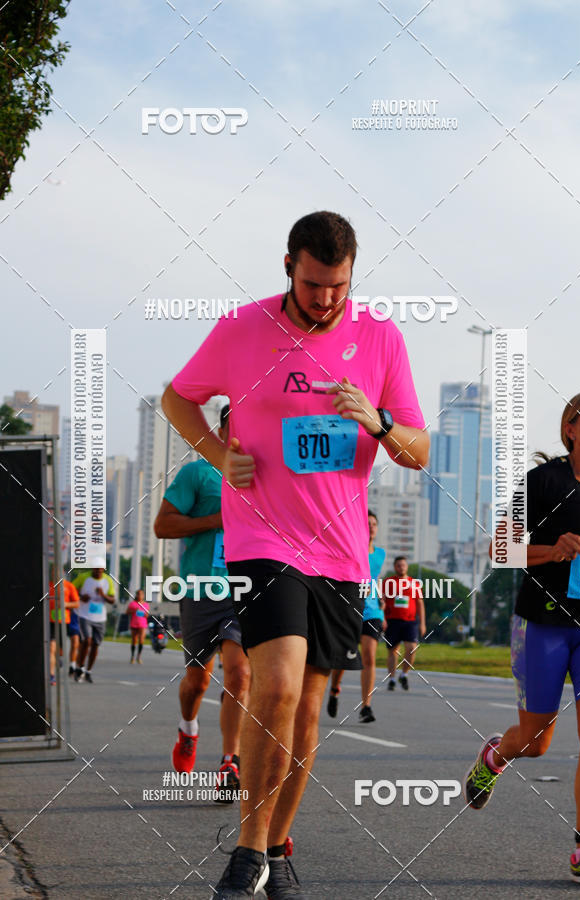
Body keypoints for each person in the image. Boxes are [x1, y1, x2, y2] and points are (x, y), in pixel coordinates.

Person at [161, 211, 428, 898]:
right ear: (289, 267)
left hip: (341, 552)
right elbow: (178, 398)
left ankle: (278, 846)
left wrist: (380, 420)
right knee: (273, 686)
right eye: (314, 286)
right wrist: (222, 457)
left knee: (308, 714)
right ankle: (247, 850)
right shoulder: (241, 329)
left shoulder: (380, 338)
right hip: (265, 539)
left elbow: (418, 451)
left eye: (338, 287)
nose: (326, 301)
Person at [463, 390, 580, 888]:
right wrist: (552, 550)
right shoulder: (543, 482)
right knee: (537, 742)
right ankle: (496, 755)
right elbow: (502, 546)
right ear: (571, 428)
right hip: (542, 622)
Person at [154, 404, 250, 802]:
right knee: (197, 682)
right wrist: (217, 520)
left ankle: (231, 760)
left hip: (245, 589)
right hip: (200, 589)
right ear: (223, 426)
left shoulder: (266, 474)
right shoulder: (198, 472)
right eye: (237, 419)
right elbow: (163, 526)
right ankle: (188, 729)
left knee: (240, 675)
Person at [326, 510, 386, 723]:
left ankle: (366, 706)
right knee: (345, 657)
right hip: (350, 607)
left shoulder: (381, 554)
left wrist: (383, 607)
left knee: (369, 657)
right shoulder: (351, 548)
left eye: (374, 523)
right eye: (367, 523)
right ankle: (334, 689)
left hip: (372, 610)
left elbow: (374, 580)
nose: (371, 526)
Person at [382, 556, 425, 691]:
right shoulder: (388, 582)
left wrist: (422, 623)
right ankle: (392, 679)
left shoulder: (414, 584)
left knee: (411, 647)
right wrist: (381, 618)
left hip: (410, 621)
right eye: (399, 565)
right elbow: (382, 601)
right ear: (395, 567)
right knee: (393, 652)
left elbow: (420, 603)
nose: (401, 567)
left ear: (407, 567)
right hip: (392, 621)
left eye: (404, 565)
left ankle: (404, 674)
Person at [72, 562, 116, 683]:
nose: (98, 572)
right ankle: (80, 667)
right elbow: (71, 590)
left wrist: (103, 595)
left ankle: (88, 671)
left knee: (96, 644)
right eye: (96, 569)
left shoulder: (108, 580)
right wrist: (81, 596)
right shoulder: (83, 577)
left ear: (103, 569)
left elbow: (112, 600)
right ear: (92, 568)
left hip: (100, 617)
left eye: (100, 570)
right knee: (87, 640)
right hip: (84, 615)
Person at [49, 574, 79, 686]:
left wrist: (65, 604)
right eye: (53, 571)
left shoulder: (69, 586)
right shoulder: (48, 586)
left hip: (63, 622)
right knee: (51, 648)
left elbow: (77, 603)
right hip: (50, 621)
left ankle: (58, 659)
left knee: (59, 651)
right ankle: (52, 676)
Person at [127, 588, 149, 664]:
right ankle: (132, 656)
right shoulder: (132, 604)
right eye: (138, 594)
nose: (140, 595)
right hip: (134, 624)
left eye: (141, 594)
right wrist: (134, 610)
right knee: (134, 640)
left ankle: (139, 656)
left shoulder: (146, 604)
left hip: (142, 624)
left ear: (143, 595)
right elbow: (127, 612)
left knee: (141, 640)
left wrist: (145, 614)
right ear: (136, 595)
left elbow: (147, 615)